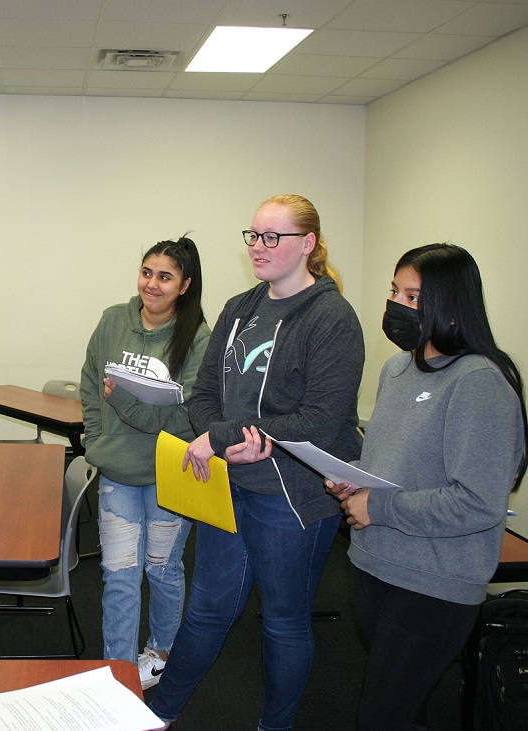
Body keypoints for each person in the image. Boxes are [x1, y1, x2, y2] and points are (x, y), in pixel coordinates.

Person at [149, 194, 365, 730]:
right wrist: (224, 439)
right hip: (231, 484)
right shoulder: (241, 307)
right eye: (253, 236)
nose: (258, 248)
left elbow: (319, 419)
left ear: (308, 244)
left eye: (273, 237)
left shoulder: (332, 318)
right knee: (206, 611)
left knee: (284, 623)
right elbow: (200, 395)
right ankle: (156, 713)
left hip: (292, 497)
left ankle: (276, 726)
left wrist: (221, 438)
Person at [328, 243, 528, 731]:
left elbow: (478, 502)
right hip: (375, 567)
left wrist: (380, 506)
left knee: (381, 716)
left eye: (413, 296)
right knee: (405, 710)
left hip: (434, 584)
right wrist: (351, 477)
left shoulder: (479, 382)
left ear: (452, 306)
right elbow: (395, 465)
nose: (397, 305)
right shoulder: (396, 369)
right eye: (394, 291)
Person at [80, 236, 211, 689]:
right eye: (147, 272)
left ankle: (161, 651)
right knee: (119, 574)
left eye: (165, 277)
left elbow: (188, 416)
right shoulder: (114, 320)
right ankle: (116, 667)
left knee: (162, 568)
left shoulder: (197, 337)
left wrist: (127, 408)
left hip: (169, 475)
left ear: (185, 285)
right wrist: (94, 439)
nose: (152, 284)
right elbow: (90, 383)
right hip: (118, 469)